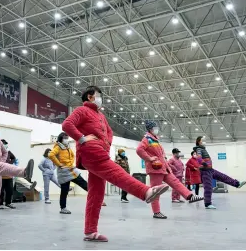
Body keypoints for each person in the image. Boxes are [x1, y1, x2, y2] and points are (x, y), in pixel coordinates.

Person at [62, 86, 169, 242]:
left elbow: (109, 132)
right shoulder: (81, 110)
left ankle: (90, 232)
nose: (100, 99)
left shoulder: (101, 115)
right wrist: (83, 139)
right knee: (116, 172)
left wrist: (106, 144)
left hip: (100, 151)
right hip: (91, 152)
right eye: (99, 95)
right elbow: (67, 125)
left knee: (96, 194)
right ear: (90, 97)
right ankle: (145, 192)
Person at [136, 121, 204, 220]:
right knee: (156, 191)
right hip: (155, 169)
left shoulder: (155, 140)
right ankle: (156, 212)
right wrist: (149, 159)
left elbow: (161, 155)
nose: (157, 129)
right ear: (150, 129)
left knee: (176, 182)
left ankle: (189, 196)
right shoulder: (147, 139)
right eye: (155, 127)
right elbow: (139, 150)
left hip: (164, 168)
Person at [194, 136, 246, 209]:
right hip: (205, 171)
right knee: (208, 187)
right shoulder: (199, 149)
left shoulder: (203, 149)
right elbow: (199, 158)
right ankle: (208, 204)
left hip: (210, 170)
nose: (205, 142)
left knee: (223, 177)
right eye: (203, 140)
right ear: (199, 142)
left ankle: (237, 184)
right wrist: (204, 163)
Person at [0, 139, 16, 209]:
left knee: (10, 190)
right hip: (0, 176)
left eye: (6, 144)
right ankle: (0, 204)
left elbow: (14, 158)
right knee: (0, 191)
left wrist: (10, 163)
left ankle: (8, 203)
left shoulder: (8, 152)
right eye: (4, 144)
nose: (5, 145)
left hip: (9, 175)